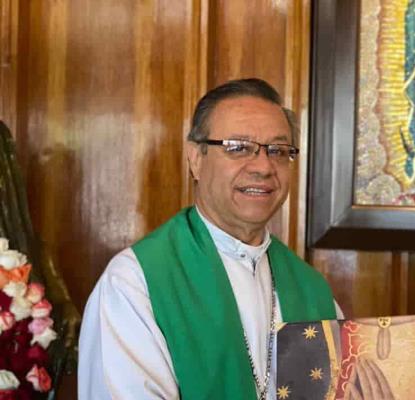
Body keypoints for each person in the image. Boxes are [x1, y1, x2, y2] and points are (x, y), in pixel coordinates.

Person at [79, 78, 341, 400]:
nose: (263, 166)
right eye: (238, 147)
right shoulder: (136, 284)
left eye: (278, 150)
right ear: (196, 159)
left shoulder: (312, 290)